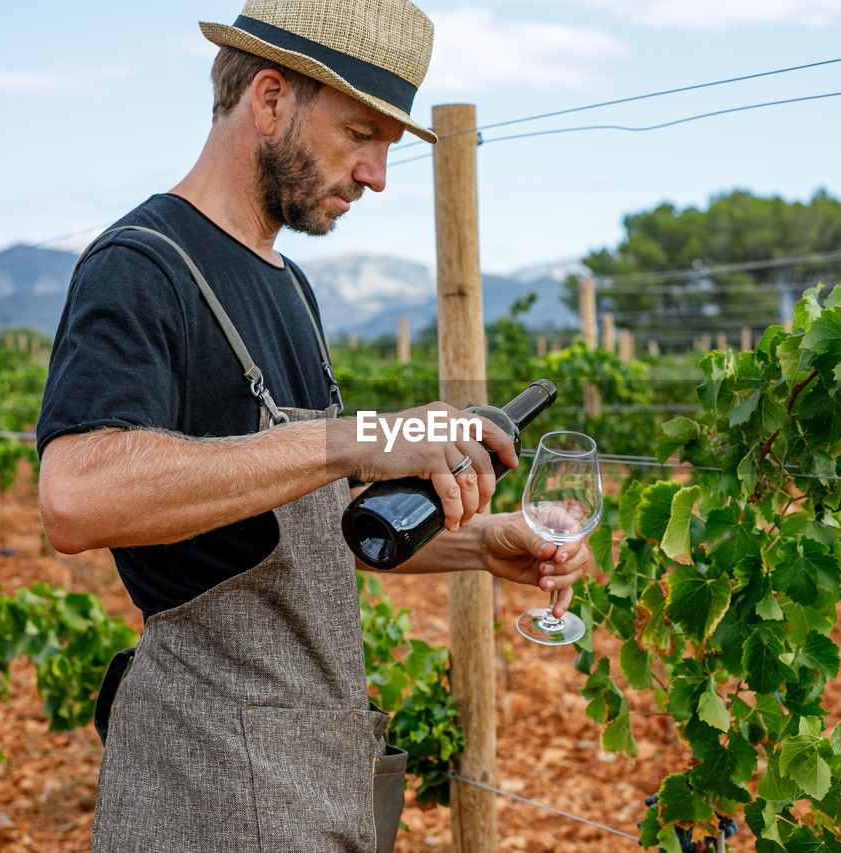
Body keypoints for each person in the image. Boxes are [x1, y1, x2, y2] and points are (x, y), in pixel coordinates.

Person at [34, 1, 592, 850]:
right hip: (205, 781)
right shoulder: (142, 266)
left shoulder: (289, 284)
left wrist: (483, 543)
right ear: (269, 100)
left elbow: (289, 533)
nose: (376, 175)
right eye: (361, 134)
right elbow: (75, 496)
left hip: (311, 775)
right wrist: (349, 438)